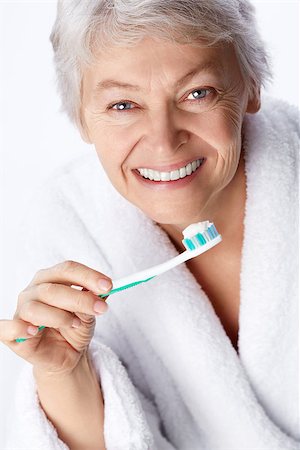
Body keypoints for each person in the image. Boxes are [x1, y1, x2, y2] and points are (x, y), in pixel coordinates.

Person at [1, 0, 299, 449]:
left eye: (197, 93)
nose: (163, 142)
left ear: (252, 85)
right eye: (123, 104)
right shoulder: (67, 224)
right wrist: (64, 372)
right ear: (81, 115)